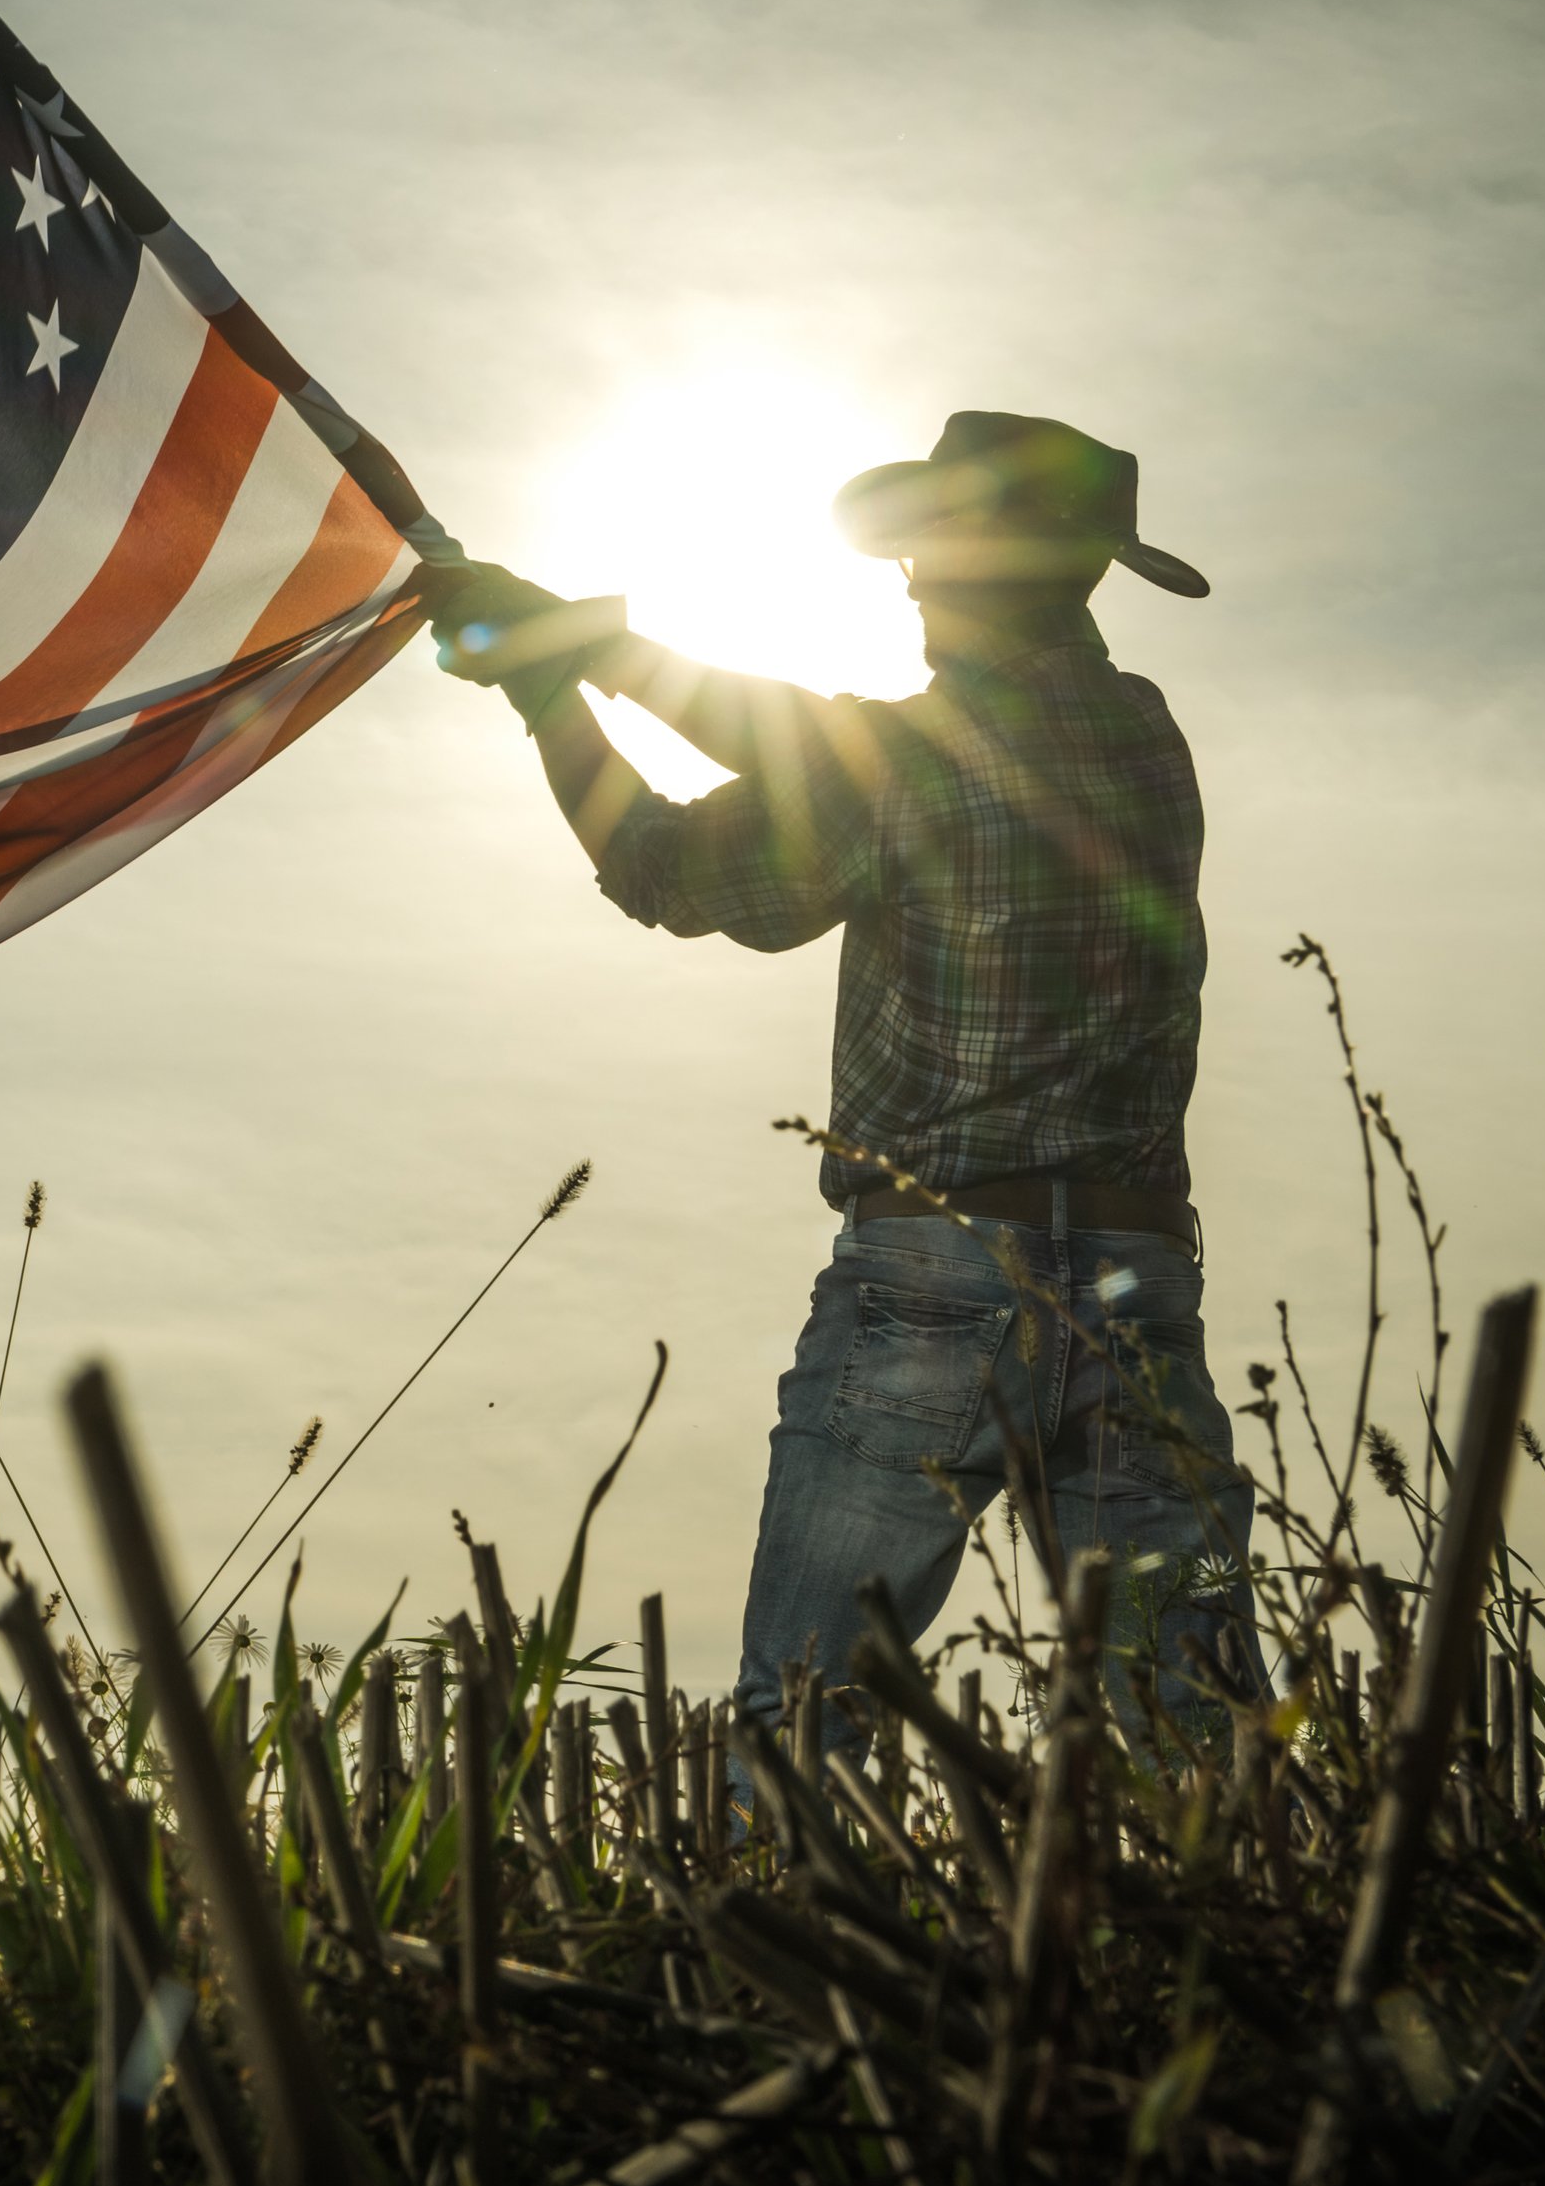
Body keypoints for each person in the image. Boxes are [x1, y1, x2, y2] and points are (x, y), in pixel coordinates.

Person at [416, 411, 1258, 1740]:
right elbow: (822, 739)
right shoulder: (1146, 738)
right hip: (1134, 1281)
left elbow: (672, 871)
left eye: (930, 551)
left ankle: (767, 1926)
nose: (912, 579)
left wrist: (553, 689)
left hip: (928, 1272)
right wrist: (584, 650)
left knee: (801, 1714)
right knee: (1196, 1724)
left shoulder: (910, 759)